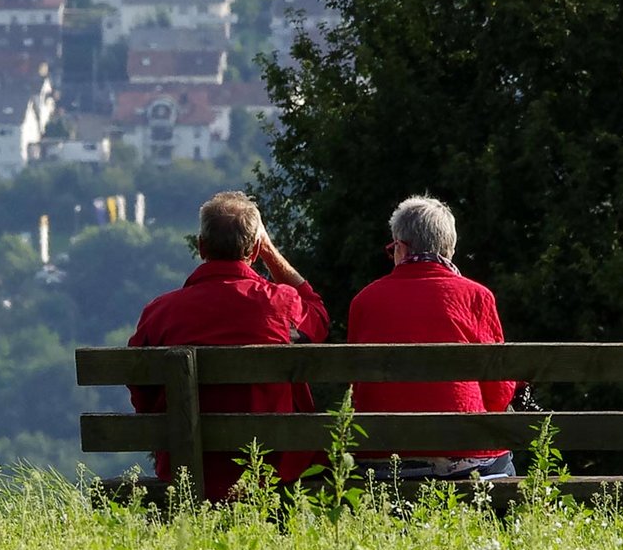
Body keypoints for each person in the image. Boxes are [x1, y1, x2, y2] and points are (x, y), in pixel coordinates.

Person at [129, 191, 329, 499]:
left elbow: (141, 394)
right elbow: (318, 316)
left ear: (201, 247)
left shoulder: (159, 312)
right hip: (273, 468)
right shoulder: (281, 302)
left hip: (188, 467)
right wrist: (271, 254)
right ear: (255, 249)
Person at [346, 195, 519, 480]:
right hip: (465, 459)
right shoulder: (477, 297)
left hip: (381, 460)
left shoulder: (364, 301)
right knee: (505, 463)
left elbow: (359, 388)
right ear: (449, 249)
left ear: (400, 247)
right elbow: (499, 395)